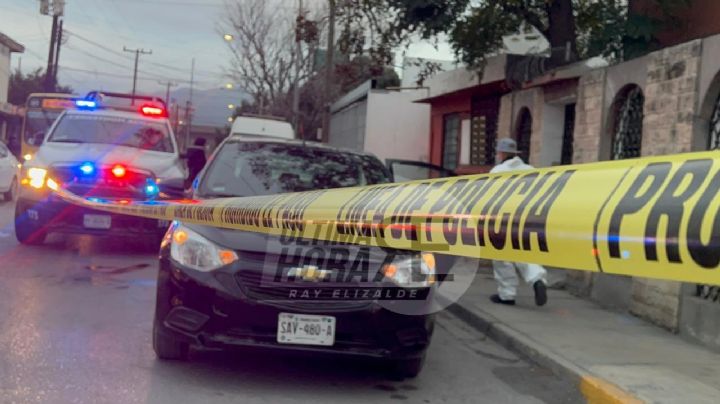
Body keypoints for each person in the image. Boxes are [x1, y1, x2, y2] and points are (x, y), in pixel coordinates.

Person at [489, 138, 548, 306]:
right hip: (526, 218)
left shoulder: (497, 171)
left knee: (501, 255)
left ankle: (507, 295)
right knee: (524, 251)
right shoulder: (531, 170)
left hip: (502, 218)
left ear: (500, 153)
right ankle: (537, 279)